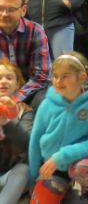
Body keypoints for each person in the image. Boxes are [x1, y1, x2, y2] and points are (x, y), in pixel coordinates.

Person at [29, 52, 88, 204]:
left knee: (85, 168)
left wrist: (61, 156)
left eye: (65, 76)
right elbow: (35, 141)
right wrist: (33, 178)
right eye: (55, 76)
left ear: (82, 77)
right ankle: (64, 188)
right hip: (52, 167)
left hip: (79, 161)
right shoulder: (47, 104)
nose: (58, 81)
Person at [0, 0, 51, 109]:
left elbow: (41, 76)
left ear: (23, 10)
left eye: (11, 9)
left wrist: (15, 99)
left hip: (29, 90)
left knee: (45, 101)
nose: (4, 14)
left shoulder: (35, 31)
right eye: (0, 9)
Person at [0, 59, 34, 204]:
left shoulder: (25, 111)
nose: (3, 81)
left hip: (12, 174)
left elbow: (28, 143)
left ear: (18, 84)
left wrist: (7, 123)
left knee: (24, 170)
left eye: (9, 78)